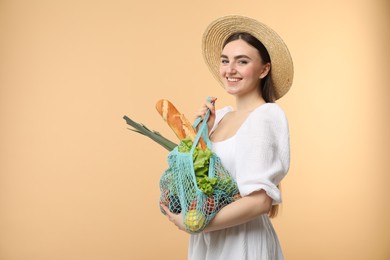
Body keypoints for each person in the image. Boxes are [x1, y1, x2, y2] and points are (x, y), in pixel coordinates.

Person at [160, 15, 293, 259]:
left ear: (264, 69)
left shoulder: (266, 116)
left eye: (242, 62)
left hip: (242, 243)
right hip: (209, 242)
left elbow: (260, 203)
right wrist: (203, 136)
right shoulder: (220, 117)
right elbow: (202, 182)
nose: (229, 70)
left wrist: (193, 224)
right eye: (225, 61)